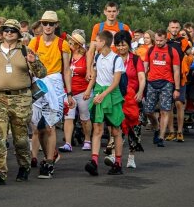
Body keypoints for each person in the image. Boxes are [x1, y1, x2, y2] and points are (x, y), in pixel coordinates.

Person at [0, 19, 46, 186]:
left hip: (21, 99)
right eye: (6, 30)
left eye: (13, 30)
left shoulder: (26, 50)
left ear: (18, 33)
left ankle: (24, 166)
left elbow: (42, 74)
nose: (9, 33)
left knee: (20, 139)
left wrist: (34, 62)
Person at [28, 10, 71, 179]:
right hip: (38, 84)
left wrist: (70, 93)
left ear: (56, 25)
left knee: (50, 125)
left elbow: (66, 70)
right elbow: (29, 66)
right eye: (44, 23)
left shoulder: (62, 44)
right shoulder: (34, 42)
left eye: (51, 24)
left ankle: (48, 162)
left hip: (55, 84)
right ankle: (49, 155)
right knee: (38, 126)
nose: (47, 26)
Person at [83, 31, 125, 176]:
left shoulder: (116, 59)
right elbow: (94, 76)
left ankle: (118, 163)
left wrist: (103, 95)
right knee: (98, 128)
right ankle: (94, 161)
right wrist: (89, 90)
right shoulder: (97, 57)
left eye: (97, 40)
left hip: (111, 95)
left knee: (115, 130)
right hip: (99, 92)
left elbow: (116, 82)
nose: (94, 43)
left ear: (103, 42)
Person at [109, 31, 145, 169]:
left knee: (134, 128)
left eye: (123, 45)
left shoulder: (136, 59)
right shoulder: (113, 59)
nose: (121, 48)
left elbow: (141, 77)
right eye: (118, 45)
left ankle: (131, 156)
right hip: (117, 97)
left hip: (134, 98)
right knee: (116, 125)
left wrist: (141, 92)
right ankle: (113, 155)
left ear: (129, 44)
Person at [142, 29, 181, 147]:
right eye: (157, 40)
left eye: (161, 40)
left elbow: (176, 71)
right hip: (152, 82)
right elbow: (144, 68)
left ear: (166, 39)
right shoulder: (150, 50)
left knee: (165, 110)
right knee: (148, 111)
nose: (158, 43)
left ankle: (161, 137)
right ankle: (157, 127)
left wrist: (177, 89)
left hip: (167, 83)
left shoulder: (172, 51)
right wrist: (142, 83)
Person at [60, 31, 92, 152]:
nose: (68, 44)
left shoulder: (86, 58)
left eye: (71, 43)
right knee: (68, 117)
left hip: (83, 91)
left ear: (78, 45)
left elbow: (92, 75)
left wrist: (88, 90)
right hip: (69, 91)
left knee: (84, 118)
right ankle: (68, 143)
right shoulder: (67, 56)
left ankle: (87, 140)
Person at [87, 1, 132, 81]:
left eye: (114, 11)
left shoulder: (124, 27)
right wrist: (88, 70)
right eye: (109, 11)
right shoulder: (98, 27)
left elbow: (130, 49)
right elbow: (91, 51)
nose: (112, 14)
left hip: (118, 64)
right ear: (105, 12)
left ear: (118, 12)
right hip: (101, 65)